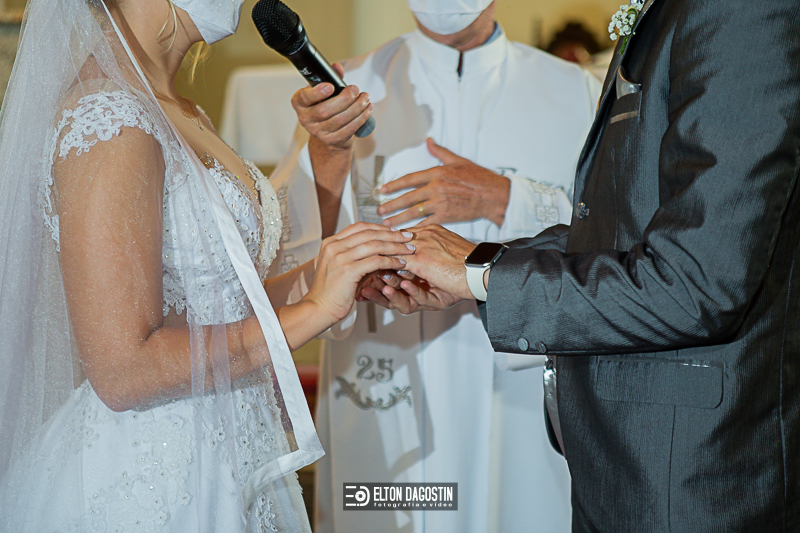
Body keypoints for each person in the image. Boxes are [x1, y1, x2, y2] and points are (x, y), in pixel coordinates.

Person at [371, 0, 800, 530]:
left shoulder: (736, 11)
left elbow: (695, 283)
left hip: (688, 469)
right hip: (618, 456)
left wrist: (485, 275)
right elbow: (617, 228)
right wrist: (477, 267)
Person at [0, 0, 413, 531]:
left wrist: (335, 277)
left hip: (229, 449)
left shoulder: (178, 107)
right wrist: (312, 311)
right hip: (156, 477)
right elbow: (123, 370)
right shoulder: (109, 117)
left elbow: (220, 303)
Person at [270, 0, 600, 531]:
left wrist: (506, 198)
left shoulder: (575, 91)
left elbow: (616, 243)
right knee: (384, 513)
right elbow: (287, 258)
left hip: (518, 394)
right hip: (390, 381)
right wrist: (326, 156)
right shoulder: (348, 88)